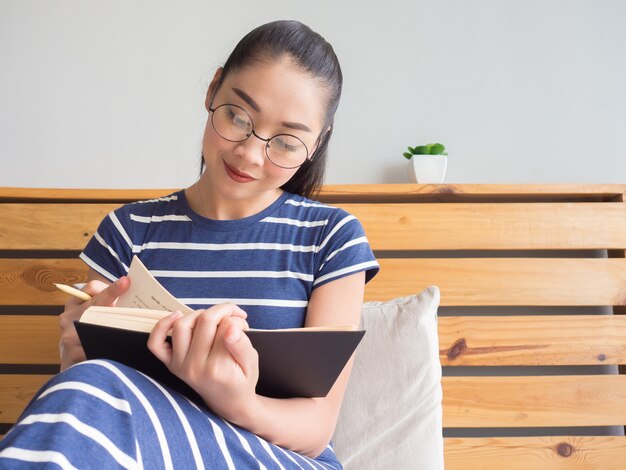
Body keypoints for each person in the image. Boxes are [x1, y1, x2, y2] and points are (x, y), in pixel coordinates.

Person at [0, 20, 378, 469]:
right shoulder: (129, 229)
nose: (251, 153)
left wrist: (236, 400)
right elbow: (94, 403)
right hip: (141, 450)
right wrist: (72, 353)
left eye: (287, 142)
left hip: (277, 457)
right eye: (238, 117)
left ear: (317, 144)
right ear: (213, 90)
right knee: (90, 384)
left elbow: (317, 430)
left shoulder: (330, 236)